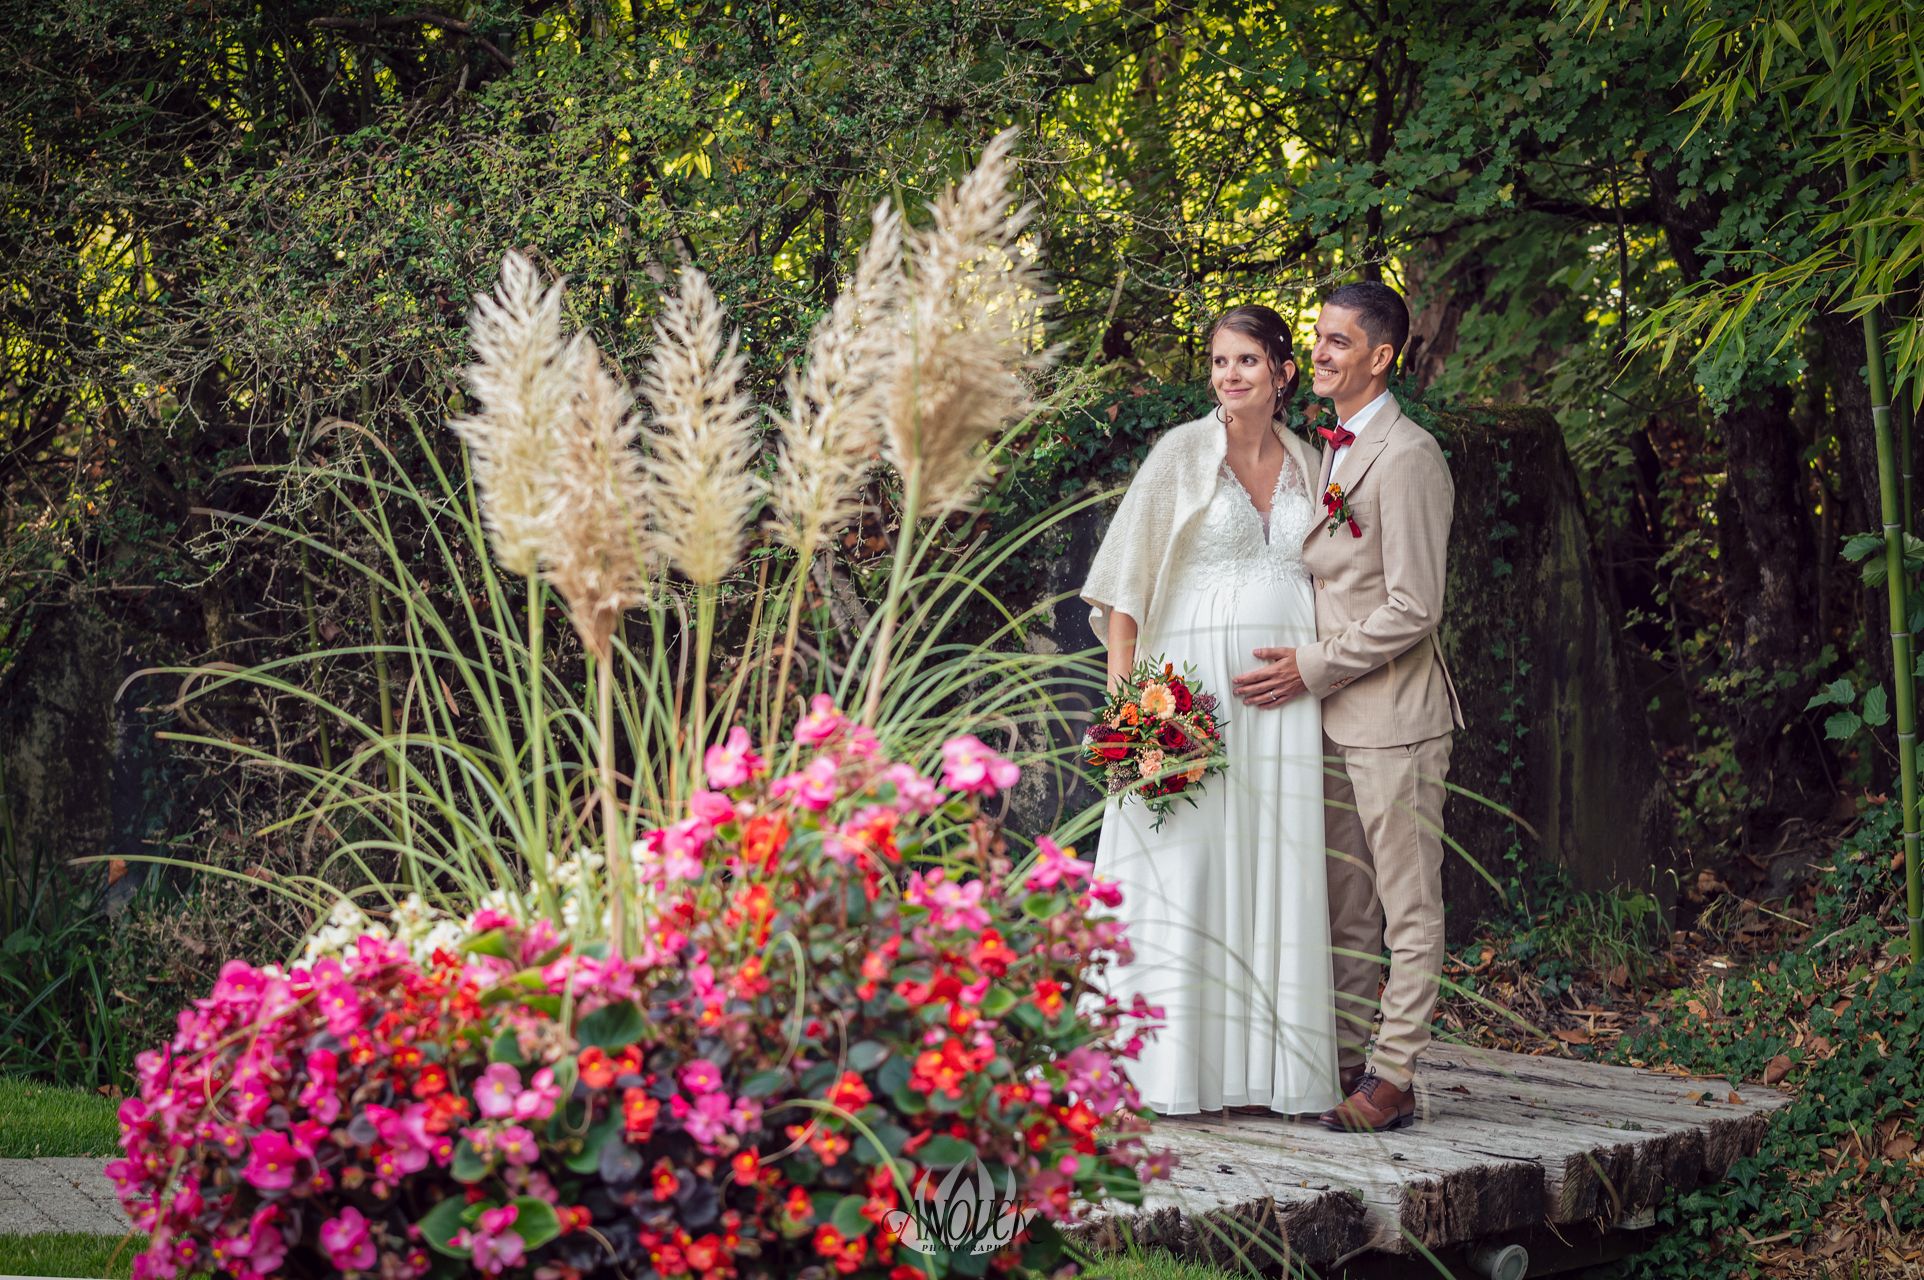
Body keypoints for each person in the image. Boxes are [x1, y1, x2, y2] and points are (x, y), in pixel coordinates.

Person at [1080, 304, 1340, 1118]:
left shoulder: (1312, 461)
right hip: (1188, 690)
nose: (1231, 376)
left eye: (1248, 361)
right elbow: (1125, 586)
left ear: (1283, 373)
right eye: (1220, 362)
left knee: (1275, 859)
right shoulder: (1181, 453)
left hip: (1285, 696)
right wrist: (1133, 706)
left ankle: (1263, 1070)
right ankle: (1152, 1070)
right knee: (1183, 862)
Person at [1229, 281, 1464, 1133]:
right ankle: (1337, 1059)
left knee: (1407, 905)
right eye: (1318, 338)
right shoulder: (1326, 448)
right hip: (1326, 718)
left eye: (1337, 341)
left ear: (1381, 356)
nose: (1319, 353)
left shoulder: (1408, 456)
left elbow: (1414, 606)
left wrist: (1313, 666)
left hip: (1395, 717)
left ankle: (1395, 1076)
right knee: (1346, 903)